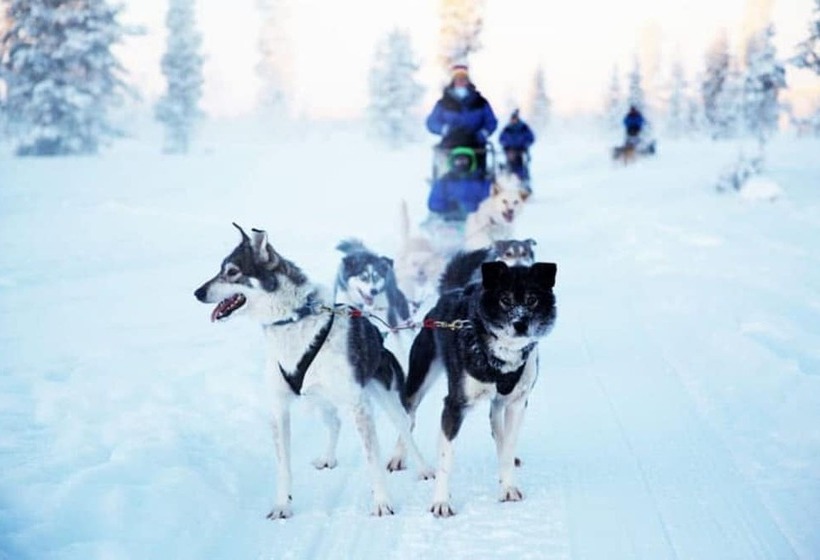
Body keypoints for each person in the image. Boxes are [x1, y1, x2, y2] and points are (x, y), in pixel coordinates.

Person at [426, 64, 498, 175]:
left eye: (463, 78)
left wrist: (483, 133)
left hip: (475, 144)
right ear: (453, 81)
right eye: (457, 78)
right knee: (445, 175)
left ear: (468, 81)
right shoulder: (444, 102)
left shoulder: (480, 102)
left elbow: (491, 122)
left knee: (479, 175)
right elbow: (431, 122)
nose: (460, 81)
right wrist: (444, 129)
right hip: (450, 145)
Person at [426, 146, 491, 222]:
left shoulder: (482, 181)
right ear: (452, 162)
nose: (461, 163)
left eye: (464, 160)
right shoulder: (444, 182)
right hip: (449, 220)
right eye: (458, 160)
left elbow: (489, 200)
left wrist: (475, 208)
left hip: (477, 219)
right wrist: (448, 206)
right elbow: (433, 203)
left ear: (471, 161)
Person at [499, 109, 535, 183]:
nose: (513, 121)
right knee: (509, 166)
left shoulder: (524, 128)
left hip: (521, 150)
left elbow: (531, 138)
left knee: (521, 166)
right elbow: (501, 139)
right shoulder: (507, 128)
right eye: (512, 119)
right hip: (510, 150)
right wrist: (506, 146)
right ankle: (508, 179)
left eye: (514, 119)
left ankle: (523, 180)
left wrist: (525, 145)